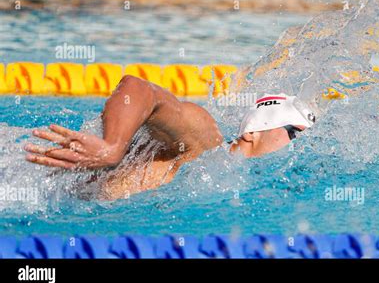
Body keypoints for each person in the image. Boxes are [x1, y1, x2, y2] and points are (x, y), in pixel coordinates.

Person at [24, 75, 316, 200]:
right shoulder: (206, 140)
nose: (301, 145)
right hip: (34, 191)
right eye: (294, 133)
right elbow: (138, 88)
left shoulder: (235, 181)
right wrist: (112, 148)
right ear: (251, 133)